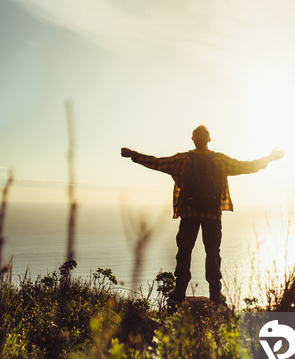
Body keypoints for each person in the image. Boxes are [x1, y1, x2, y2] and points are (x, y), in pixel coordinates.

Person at [121, 125, 284, 306]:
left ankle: (179, 292)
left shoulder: (182, 160)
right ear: (209, 139)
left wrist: (133, 155)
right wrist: (270, 157)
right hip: (213, 215)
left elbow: (157, 162)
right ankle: (215, 293)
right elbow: (248, 167)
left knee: (184, 252)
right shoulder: (220, 160)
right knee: (213, 253)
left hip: (188, 213)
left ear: (192, 139)